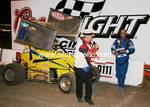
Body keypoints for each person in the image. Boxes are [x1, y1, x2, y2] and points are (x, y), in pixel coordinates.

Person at [74, 33, 99, 105]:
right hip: (79, 68)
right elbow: (85, 51)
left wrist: (94, 48)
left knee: (89, 84)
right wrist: (95, 48)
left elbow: (89, 54)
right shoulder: (81, 43)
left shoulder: (87, 43)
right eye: (91, 37)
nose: (92, 39)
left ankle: (88, 98)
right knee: (79, 84)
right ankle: (79, 97)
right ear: (86, 37)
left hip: (86, 67)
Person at [111, 30, 135, 95]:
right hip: (118, 61)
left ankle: (121, 87)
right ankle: (120, 83)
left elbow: (133, 49)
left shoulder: (129, 41)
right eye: (121, 32)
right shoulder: (116, 41)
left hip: (125, 61)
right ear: (120, 34)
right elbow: (112, 48)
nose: (123, 34)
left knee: (123, 75)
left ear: (126, 33)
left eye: (124, 32)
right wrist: (114, 52)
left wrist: (126, 51)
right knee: (118, 74)